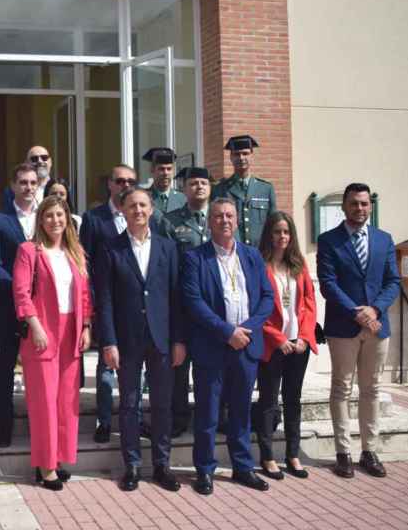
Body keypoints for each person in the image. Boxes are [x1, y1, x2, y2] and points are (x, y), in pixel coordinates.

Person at [95, 188, 184, 493]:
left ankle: (162, 464)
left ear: (152, 209)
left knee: (162, 405)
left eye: (143, 205)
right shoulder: (110, 249)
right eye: (132, 205)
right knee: (130, 404)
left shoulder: (168, 248)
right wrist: (108, 342)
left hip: (161, 337)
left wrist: (179, 340)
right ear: (123, 210)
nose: (138, 210)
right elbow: (104, 300)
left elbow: (176, 298)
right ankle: (132, 465)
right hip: (126, 339)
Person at [183, 198, 274, 496]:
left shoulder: (252, 256)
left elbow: (266, 297)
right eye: (218, 216)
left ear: (237, 221)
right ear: (209, 222)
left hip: (246, 346)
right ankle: (205, 471)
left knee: (241, 412)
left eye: (229, 215)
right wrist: (227, 332)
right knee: (208, 413)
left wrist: (245, 330)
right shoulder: (195, 258)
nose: (224, 220)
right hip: (212, 348)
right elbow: (193, 303)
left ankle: (243, 467)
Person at [317, 183, 401, 479]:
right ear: (344, 206)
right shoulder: (329, 241)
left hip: (378, 327)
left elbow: (393, 281)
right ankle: (343, 452)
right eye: (354, 203)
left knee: (372, 388)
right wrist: (358, 311)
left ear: (371, 206)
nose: (359, 209)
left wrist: (374, 310)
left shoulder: (384, 240)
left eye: (364, 204)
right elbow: (328, 283)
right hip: (343, 326)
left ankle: (369, 450)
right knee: (341, 388)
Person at [12, 196, 92, 490]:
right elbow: (20, 293)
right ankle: (45, 468)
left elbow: (84, 294)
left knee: (65, 400)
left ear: (67, 218)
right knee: (44, 400)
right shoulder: (28, 251)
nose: (55, 221)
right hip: (42, 332)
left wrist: (85, 326)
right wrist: (35, 326)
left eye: (60, 215)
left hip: (71, 330)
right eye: (49, 216)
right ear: (40, 220)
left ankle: (56, 459)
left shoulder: (75, 251)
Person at [79, 164, 139, 443]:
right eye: (120, 180)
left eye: (131, 181)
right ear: (110, 185)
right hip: (105, 303)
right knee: (106, 367)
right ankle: (104, 420)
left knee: (134, 365)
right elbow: (84, 262)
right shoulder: (94, 218)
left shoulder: (140, 216)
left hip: (135, 305)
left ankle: (132, 419)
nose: (125, 185)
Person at [256, 211, 317, 480]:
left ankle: (293, 454)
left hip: (298, 344)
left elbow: (309, 304)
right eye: (277, 231)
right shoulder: (259, 264)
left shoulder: (299, 265)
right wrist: (278, 339)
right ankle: (267, 456)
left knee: (293, 400)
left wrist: (304, 336)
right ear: (269, 234)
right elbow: (256, 308)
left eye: (286, 232)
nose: (282, 237)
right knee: (268, 401)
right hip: (272, 344)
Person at [0, 162, 40, 447]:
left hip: (42, 309)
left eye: (33, 182)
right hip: (9, 305)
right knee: (5, 371)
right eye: (23, 183)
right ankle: (4, 428)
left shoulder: (47, 217)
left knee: (38, 372)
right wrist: (20, 289)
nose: (28, 187)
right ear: (13, 186)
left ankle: (38, 429)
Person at [163, 166, 213, 438]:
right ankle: (179, 419)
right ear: (184, 189)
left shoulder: (220, 217)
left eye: (204, 183)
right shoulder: (170, 222)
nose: (199, 187)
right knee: (180, 368)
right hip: (182, 305)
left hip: (214, 306)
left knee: (209, 367)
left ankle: (209, 416)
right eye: (193, 183)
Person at [212, 135, 276, 247]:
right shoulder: (220, 189)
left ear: (252, 156)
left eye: (245, 153)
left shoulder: (266, 189)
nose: (241, 158)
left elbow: (273, 224)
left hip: (260, 252)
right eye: (237, 154)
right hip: (231, 252)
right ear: (231, 157)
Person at [143, 148, 187, 214]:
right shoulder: (143, 197)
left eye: (169, 169)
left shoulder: (183, 198)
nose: (166, 173)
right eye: (161, 169)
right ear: (152, 170)